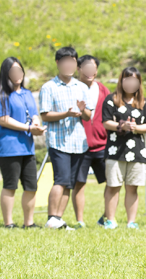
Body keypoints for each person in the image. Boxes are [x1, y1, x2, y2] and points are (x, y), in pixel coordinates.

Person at [39, 47, 92, 230]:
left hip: (78, 142)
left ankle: (58, 220)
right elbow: (45, 115)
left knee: (69, 182)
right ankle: (51, 218)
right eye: (65, 62)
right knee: (60, 180)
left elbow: (87, 117)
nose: (69, 65)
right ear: (58, 63)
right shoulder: (49, 87)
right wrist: (66, 113)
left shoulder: (82, 87)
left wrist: (83, 109)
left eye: (72, 62)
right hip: (58, 141)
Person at [0, 57, 46, 229]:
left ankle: (29, 222)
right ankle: (9, 223)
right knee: (10, 185)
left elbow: (34, 113)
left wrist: (36, 124)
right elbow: (4, 120)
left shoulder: (27, 94)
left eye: (20, 71)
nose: (17, 75)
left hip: (26, 147)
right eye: (13, 71)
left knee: (31, 185)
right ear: (5, 74)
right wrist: (29, 129)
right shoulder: (1, 95)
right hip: (8, 147)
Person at [101, 67, 146, 229]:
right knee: (113, 186)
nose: (131, 83)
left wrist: (135, 127)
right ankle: (110, 220)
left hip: (137, 151)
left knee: (132, 187)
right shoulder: (111, 100)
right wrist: (121, 126)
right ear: (121, 81)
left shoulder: (144, 103)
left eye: (135, 81)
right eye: (127, 80)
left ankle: (131, 221)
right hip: (115, 151)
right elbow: (106, 123)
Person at [72, 55, 110, 228]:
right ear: (78, 68)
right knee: (79, 183)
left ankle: (107, 217)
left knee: (112, 181)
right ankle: (80, 220)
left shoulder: (103, 90)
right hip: (81, 145)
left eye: (93, 68)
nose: (90, 71)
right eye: (86, 67)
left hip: (102, 143)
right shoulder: (72, 88)